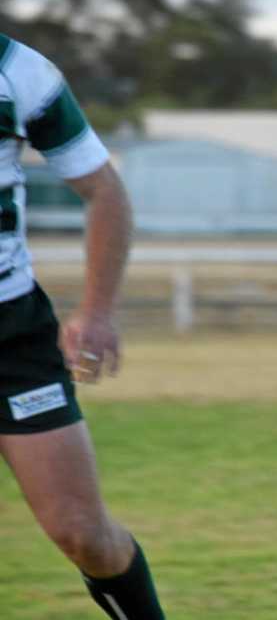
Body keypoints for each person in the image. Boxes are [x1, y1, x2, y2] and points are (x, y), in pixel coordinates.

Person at [0, 35, 164, 618]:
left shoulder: (18, 71)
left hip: (11, 334)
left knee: (82, 533)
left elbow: (103, 191)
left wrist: (95, 313)